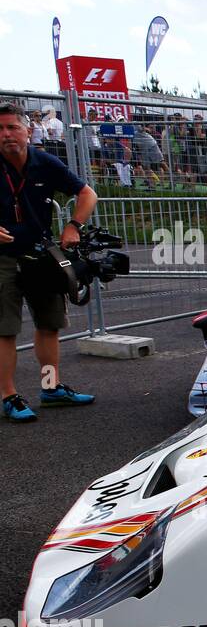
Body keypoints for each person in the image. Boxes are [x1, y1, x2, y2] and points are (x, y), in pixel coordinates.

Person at [0, 102, 99, 422]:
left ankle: (50, 387)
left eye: (12, 127)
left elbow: (87, 194)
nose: (5, 135)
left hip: (40, 256)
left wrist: (74, 226)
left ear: (28, 131)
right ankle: (9, 396)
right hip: (2, 260)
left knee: (48, 324)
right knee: (5, 331)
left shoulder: (45, 162)